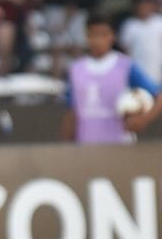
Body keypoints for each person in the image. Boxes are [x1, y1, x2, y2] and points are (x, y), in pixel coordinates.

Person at [64, 15, 162, 144]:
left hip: (119, 144)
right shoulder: (76, 70)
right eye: (94, 35)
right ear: (87, 36)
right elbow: (73, 110)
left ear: (112, 36)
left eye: (104, 35)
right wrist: (67, 142)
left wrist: (143, 119)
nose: (99, 40)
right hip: (86, 144)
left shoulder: (125, 66)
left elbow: (158, 96)